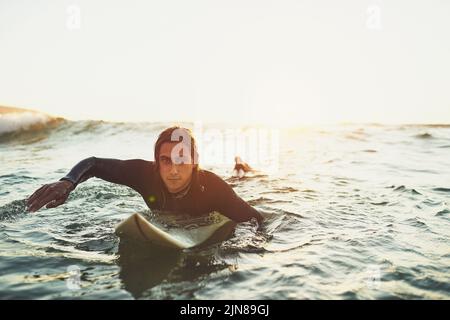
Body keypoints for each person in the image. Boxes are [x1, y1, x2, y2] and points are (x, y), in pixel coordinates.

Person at [26, 126, 263, 224]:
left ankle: (241, 166)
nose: (173, 170)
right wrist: (67, 183)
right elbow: (94, 164)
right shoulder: (144, 174)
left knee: (241, 177)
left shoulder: (213, 188)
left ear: (194, 161)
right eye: (165, 160)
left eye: (182, 160)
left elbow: (257, 220)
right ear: (156, 162)